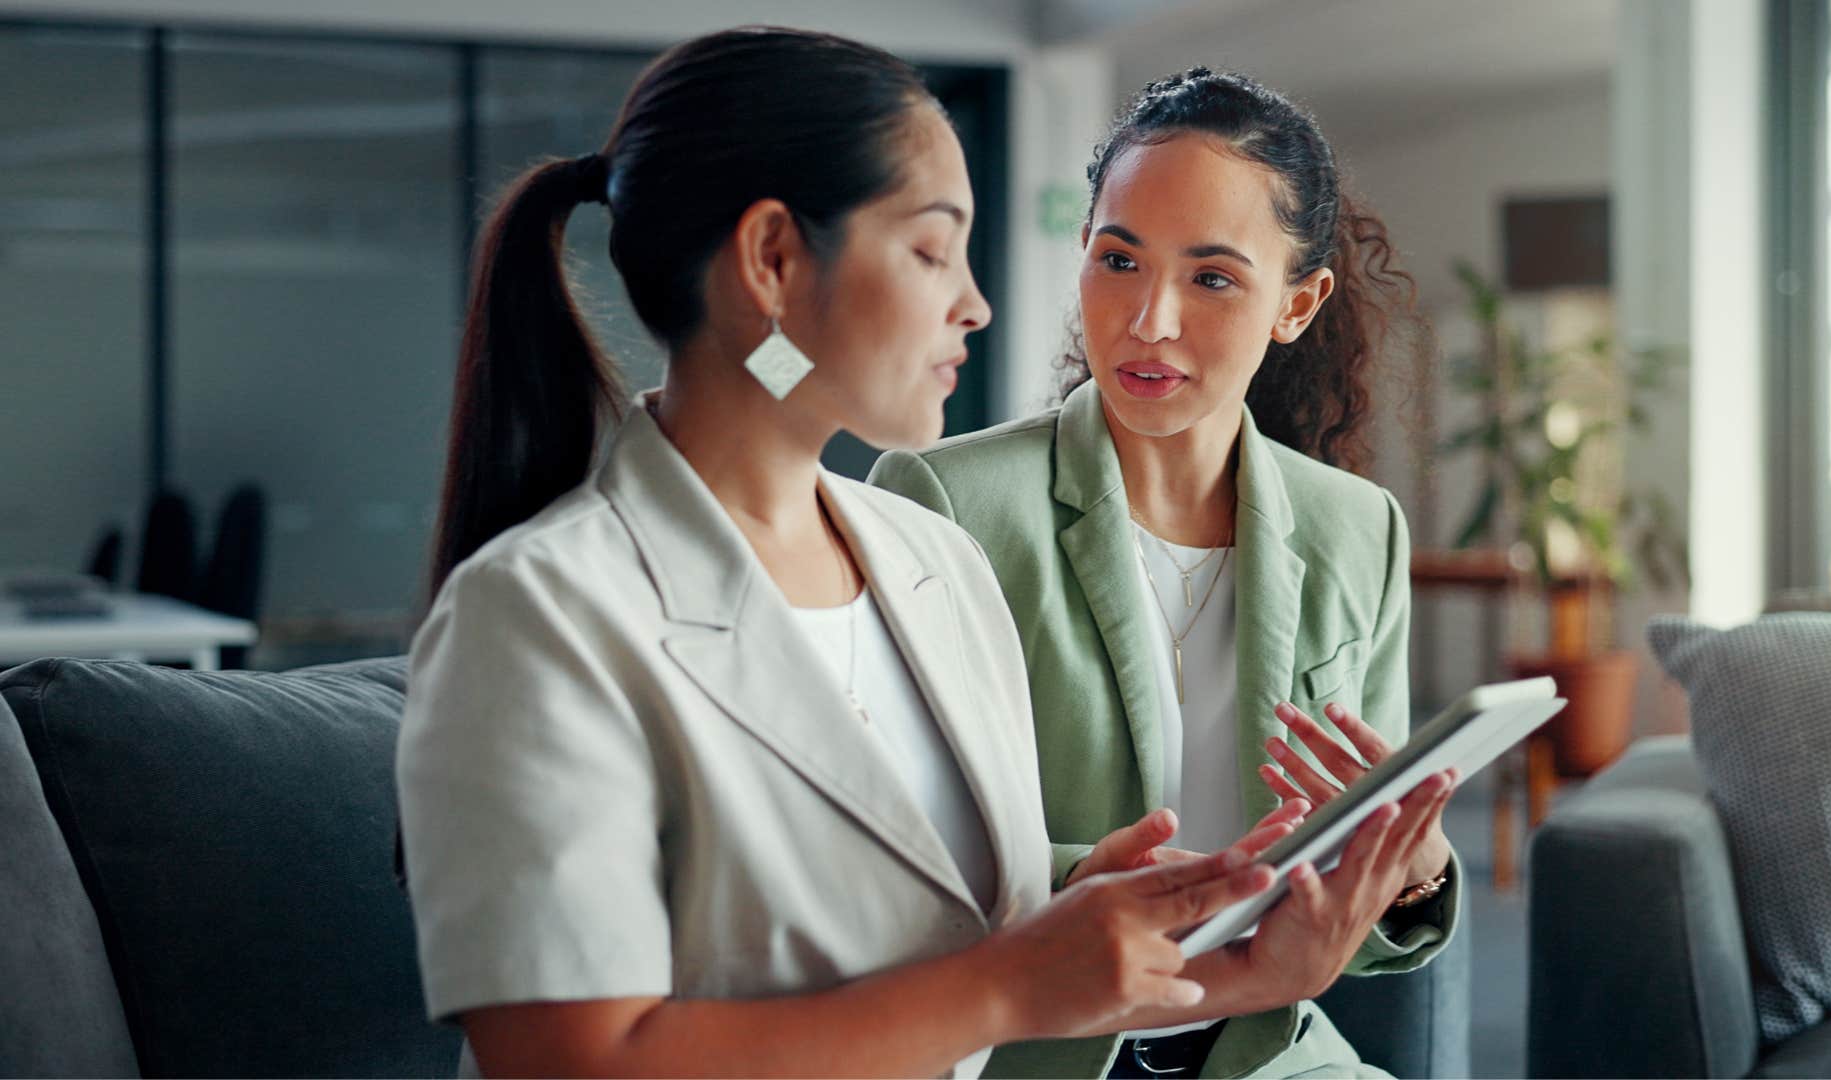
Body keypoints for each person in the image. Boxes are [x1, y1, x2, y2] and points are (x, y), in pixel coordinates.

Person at [396, 31, 1449, 1079]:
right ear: (771, 262)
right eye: (932, 251)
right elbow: (565, 1061)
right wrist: (1015, 980)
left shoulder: (925, 558)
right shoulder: (537, 614)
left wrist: (1258, 974)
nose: (977, 305)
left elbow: (990, 929)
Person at [870, 68, 1462, 1078]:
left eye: (1213, 278)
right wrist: (1086, 886)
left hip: (1266, 1054)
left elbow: (1347, 937)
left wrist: (1413, 869)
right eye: (1118, 259)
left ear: (1298, 303)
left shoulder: (1362, 532)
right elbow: (887, 854)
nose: (1148, 320)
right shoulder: (944, 504)